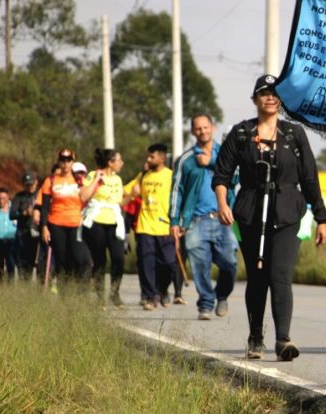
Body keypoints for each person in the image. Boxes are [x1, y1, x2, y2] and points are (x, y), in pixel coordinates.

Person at [213, 74, 326, 361]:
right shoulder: (241, 133)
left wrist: (322, 218)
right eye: (264, 93)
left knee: (280, 275)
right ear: (254, 99)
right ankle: (255, 337)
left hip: (288, 211)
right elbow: (221, 175)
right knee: (257, 276)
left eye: (275, 93)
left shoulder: (293, 134)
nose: (270, 97)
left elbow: (309, 178)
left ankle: (283, 340)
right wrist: (223, 204)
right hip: (250, 212)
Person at [171, 114, 238, 320]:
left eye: (206, 127)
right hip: (195, 221)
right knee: (200, 267)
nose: (203, 131)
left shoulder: (226, 153)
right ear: (193, 132)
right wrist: (174, 221)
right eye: (198, 128)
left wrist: (212, 163)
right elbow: (177, 191)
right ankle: (206, 304)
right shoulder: (186, 160)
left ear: (213, 127)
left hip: (223, 218)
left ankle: (222, 295)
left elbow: (236, 177)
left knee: (229, 262)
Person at [128, 143, 177, 309]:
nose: (148, 159)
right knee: (146, 263)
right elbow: (126, 191)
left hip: (165, 226)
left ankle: (162, 289)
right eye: (148, 156)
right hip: (145, 226)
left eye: (152, 156)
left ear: (162, 158)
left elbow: (179, 198)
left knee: (169, 263)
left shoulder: (171, 176)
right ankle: (150, 296)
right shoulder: (143, 176)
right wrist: (133, 191)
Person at [80, 148, 126, 307]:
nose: (122, 163)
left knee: (119, 258)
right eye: (119, 160)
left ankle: (114, 292)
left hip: (114, 222)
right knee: (100, 261)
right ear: (110, 162)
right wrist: (96, 180)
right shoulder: (93, 175)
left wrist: (132, 195)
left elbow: (119, 201)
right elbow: (84, 195)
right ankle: (100, 297)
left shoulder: (118, 180)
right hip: (96, 222)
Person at [40, 149, 91, 283]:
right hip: (56, 223)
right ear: (59, 162)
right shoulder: (50, 181)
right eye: (63, 160)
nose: (65, 163)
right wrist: (44, 226)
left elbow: (88, 196)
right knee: (61, 259)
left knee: (79, 257)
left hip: (75, 223)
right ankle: (64, 289)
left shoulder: (79, 180)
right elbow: (44, 206)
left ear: (72, 162)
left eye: (68, 160)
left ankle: (79, 286)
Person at [10, 171, 40, 280]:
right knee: (22, 261)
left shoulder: (40, 195)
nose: (29, 187)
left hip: (37, 233)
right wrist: (24, 213)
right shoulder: (19, 197)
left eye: (31, 184)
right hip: (23, 233)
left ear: (36, 183)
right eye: (27, 185)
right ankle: (23, 282)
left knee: (35, 260)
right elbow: (12, 214)